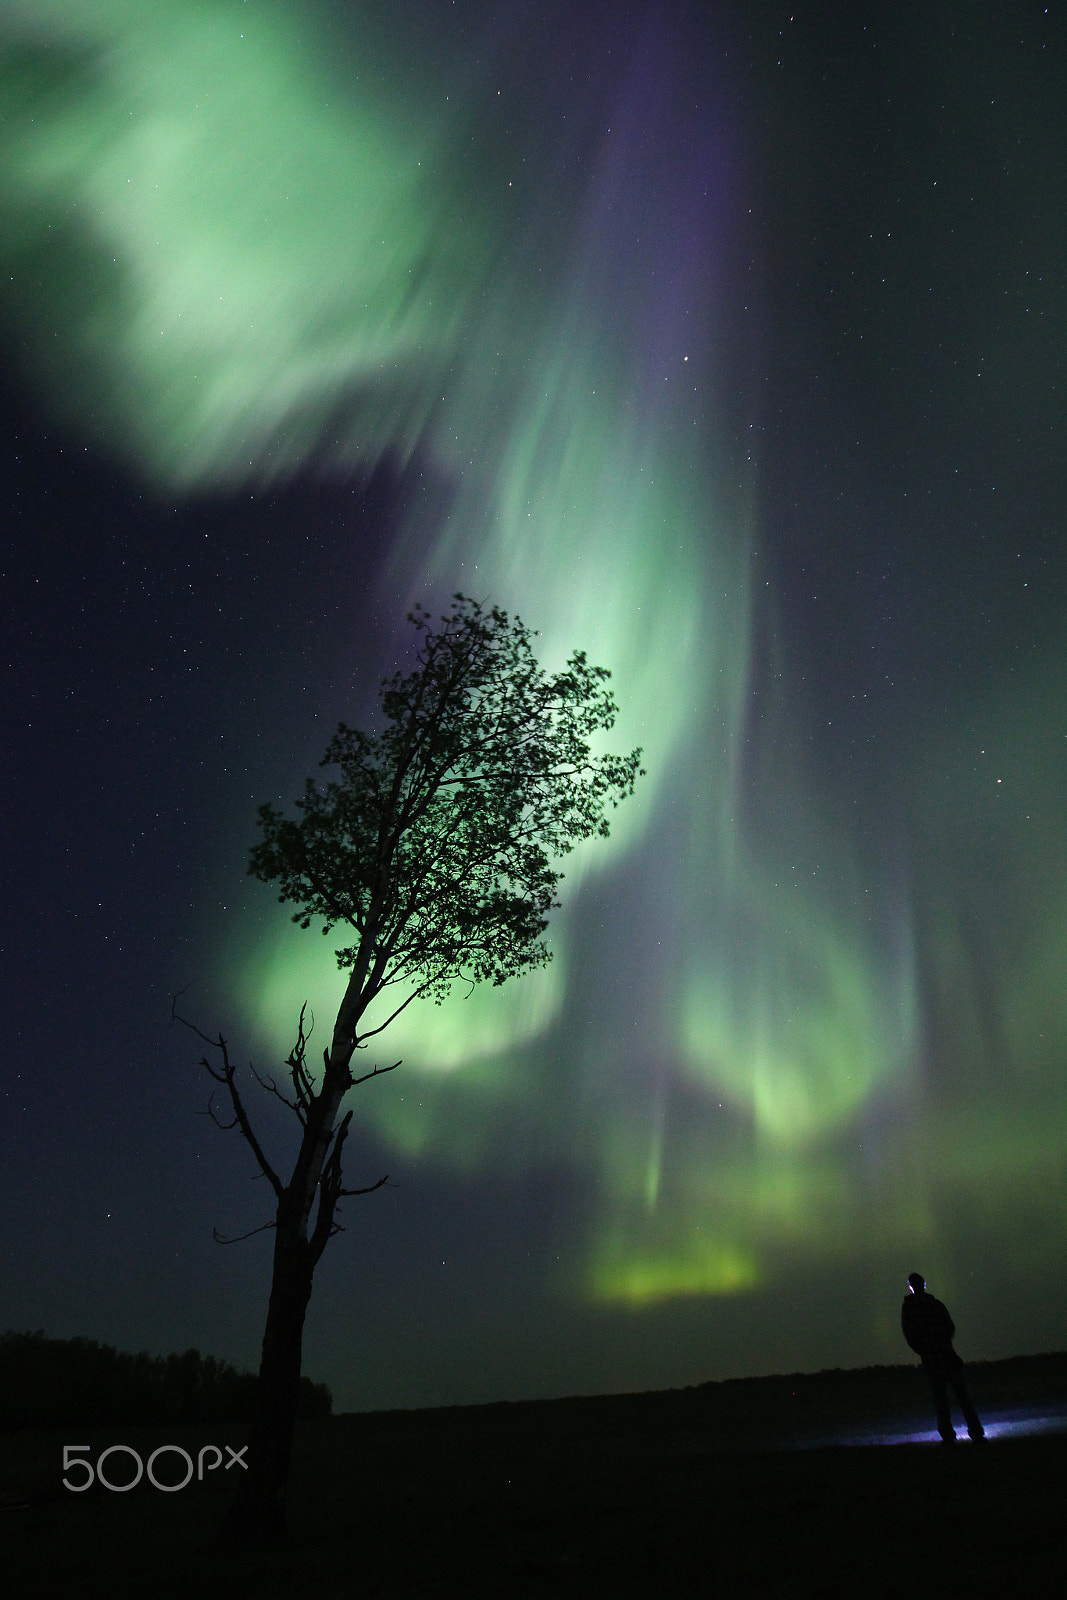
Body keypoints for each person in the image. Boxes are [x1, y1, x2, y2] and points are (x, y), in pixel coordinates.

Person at [901, 1272, 984, 1443]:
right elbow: (949, 1326)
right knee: (962, 1396)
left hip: (931, 1359)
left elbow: (908, 1334)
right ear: (924, 1284)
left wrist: (923, 1350)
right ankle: (975, 1431)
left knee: (940, 1398)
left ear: (911, 1286)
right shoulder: (935, 1304)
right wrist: (944, 1343)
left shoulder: (909, 1308)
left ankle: (947, 1434)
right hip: (946, 1355)